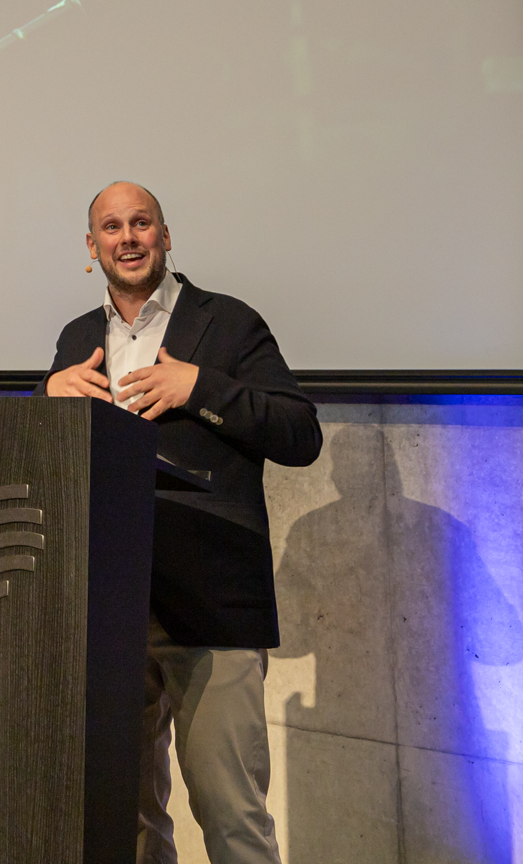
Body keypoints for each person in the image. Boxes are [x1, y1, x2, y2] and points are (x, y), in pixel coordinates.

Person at [45, 181, 320, 864]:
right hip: (108, 601)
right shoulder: (77, 337)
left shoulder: (228, 323)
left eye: (141, 223)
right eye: (112, 227)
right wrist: (44, 396)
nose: (128, 238)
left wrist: (200, 388)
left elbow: (300, 433)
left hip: (209, 602)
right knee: (123, 816)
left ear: (165, 236)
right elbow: (51, 457)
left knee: (231, 815)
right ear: (92, 246)